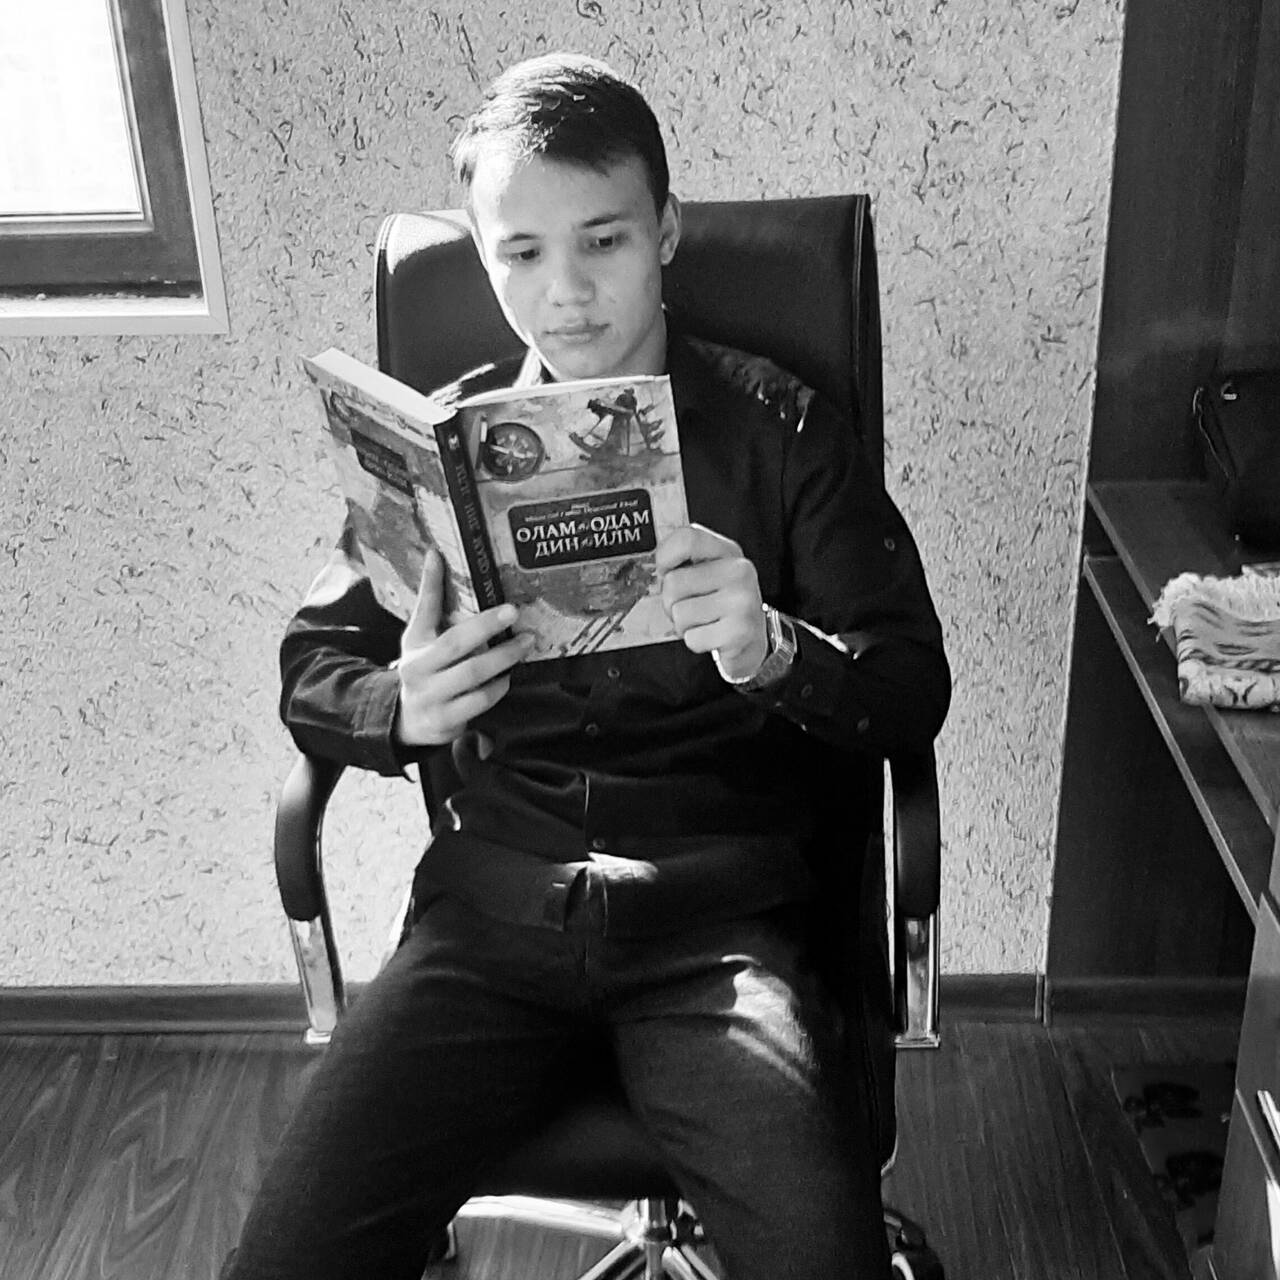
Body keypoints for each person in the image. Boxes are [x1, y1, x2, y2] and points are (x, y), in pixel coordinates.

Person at [226, 52, 950, 1280]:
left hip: (717, 926)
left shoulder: (779, 431)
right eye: (519, 253)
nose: (562, 293)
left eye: (602, 240)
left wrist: (770, 647)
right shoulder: (443, 447)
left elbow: (907, 686)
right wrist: (401, 704)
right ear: (481, 253)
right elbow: (311, 661)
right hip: (490, 915)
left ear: (662, 230)